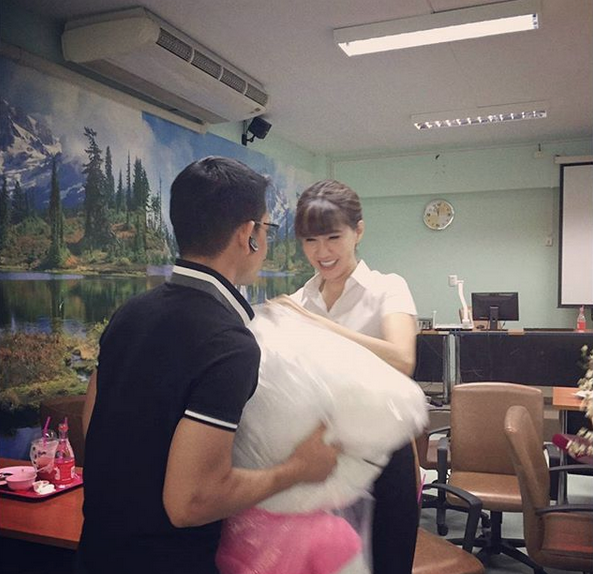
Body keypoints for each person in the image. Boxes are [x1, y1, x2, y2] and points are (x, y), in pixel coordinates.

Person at [77, 157, 340, 574]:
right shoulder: (229, 343)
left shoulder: (129, 313)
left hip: (96, 552)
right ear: (248, 235)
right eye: (266, 228)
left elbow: (94, 424)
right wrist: (298, 469)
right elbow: (190, 502)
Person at [277, 179, 419, 574]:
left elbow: (401, 359)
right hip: (320, 458)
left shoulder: (387, 288)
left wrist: (317, 326)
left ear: (358, 231)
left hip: (383, 457)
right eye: (310, 241)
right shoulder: (301, 300)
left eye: (333, 237)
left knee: (386, 562)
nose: (322, 252)